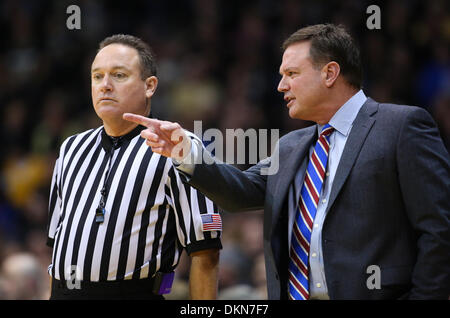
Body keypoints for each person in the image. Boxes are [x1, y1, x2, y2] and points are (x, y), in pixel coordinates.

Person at [123, 24, 450, 300]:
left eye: (291, 73)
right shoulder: (290, 145)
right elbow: (241, 191)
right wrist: (185, 152)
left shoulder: (401, 126)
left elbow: (439, 229)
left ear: (330, 73)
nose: (281, 85)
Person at [47, 34, 222, 300]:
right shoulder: (71, 148)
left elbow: (205, 253)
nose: (104, 85)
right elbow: (58, 245)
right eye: (97, 76)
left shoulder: (180, 147)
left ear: (149, 86)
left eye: (118, 75)